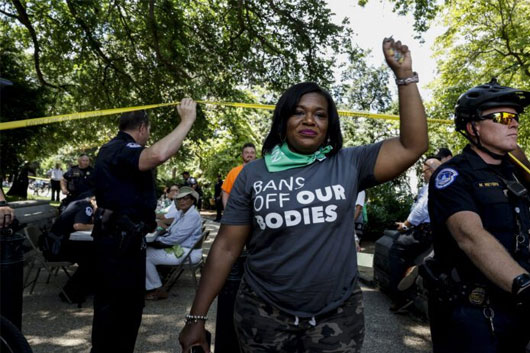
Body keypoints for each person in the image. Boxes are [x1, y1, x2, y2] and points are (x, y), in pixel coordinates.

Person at [179, 37, 428, 353]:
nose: (310, 120)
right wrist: (196, 317)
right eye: (299, 112)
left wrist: (404, 76)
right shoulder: (253, 174)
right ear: (283, 120)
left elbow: (413, 145)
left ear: (329, 123)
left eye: (320, 114)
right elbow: (227, 247)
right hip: (263, 313)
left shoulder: (349, 163)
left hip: (337, 316)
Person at [426, 78, 530, 353]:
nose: (514, 123)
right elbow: (471, 237)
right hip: (472, 317)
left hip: (517, 314)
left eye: (516, 116)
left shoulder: (514, 171)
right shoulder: (453, 176)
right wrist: (524, 284)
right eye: (503, 116)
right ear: (473, 127)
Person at [91, 98, 197, 353]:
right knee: (116, 312)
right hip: (117, 244)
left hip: (126, 241)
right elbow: (157, 154)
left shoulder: (118, 151)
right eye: (148, 131)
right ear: (142, 128)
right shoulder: (118, 148)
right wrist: (187, 121)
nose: (148, 136)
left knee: (128, 310)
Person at [388, 157, 441, 313]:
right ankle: (412, 268)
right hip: (427, 230)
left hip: (425, 231)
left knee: (397, 249)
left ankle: (400, 298)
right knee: (407, 252)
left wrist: (405, 225)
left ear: (431, 171)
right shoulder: (432, 186)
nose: (423, 174)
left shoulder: (435, 185)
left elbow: (422, 210)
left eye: (424, 171)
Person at [145, 186, 202, 300]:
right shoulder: (182, 213)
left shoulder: (192, 215)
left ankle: (158, 289)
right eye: (180, 199)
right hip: (181, 249)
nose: (182, 201)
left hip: (186, 253)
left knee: (145, 256)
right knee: (147, 250)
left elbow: (176, 239)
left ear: (192, 200)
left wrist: (156, 240)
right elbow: (171, 230)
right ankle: (155, 282)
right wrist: (160, 231)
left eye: (186, 199)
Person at [41, 196, 97, 304]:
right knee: (91, 257)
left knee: (92, 253)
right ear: (94, 200)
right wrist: (96, 226)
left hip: (53, 246)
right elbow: (78, 226)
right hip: (58, 250)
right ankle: (71, 292)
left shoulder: (79, 202)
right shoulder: (87, 207)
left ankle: (85, 287)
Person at [221, 142, 257, 208]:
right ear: (242, 155)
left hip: (256, 210)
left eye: (252, 153)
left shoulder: (260, 171)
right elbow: (226, 192)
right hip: (237, 210)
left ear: (255, 155)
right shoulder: (233, 172)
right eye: (247, 152)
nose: (250, 155)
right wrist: (227, 210)